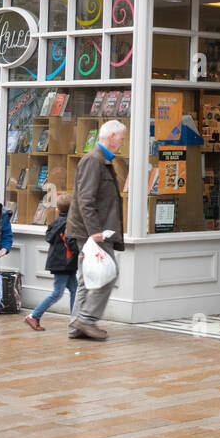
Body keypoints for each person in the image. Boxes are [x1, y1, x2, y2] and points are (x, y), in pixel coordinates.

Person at [65, 118, 126, 341]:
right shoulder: (94, 160)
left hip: (95, 230)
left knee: (87, 279)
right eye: (121, 139)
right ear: (111, 137)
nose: (122, 143)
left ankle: (76, 326)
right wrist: (94, 231)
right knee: (107, 274)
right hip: (94, 232)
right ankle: (87, 319)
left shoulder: (102, 160)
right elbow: (85, 198)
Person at [26, 192, 78, 331]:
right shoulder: (70, 224)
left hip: (61, 262)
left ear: (57, 209)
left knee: (75, 290)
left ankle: (76, 321)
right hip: (64, 263)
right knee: (57, 293)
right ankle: (34, 315)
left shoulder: (55, 222)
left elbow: (49, 238)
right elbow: (72, 244)